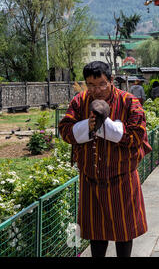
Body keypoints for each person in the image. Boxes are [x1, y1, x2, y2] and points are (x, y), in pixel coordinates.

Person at [58, 61, 152, 258]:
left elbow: (136, 136)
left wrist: (104, 127)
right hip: (90, 179)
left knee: (124, 232)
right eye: (90, 85)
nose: (96, 90)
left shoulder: (129, 102)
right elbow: (65, 130)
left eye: (101, 84)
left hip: (122, 178)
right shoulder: (79, 101)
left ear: (111, 80)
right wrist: (87, 126)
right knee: (96, 233)